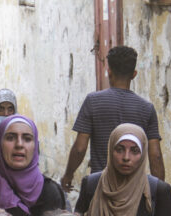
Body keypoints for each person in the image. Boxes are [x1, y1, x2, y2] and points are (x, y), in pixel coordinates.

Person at [62, 46, 165, 190]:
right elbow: (156, 156)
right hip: (133, 190)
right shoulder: (146, 108)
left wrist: (68, 175)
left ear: (109, 72)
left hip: (100, 186)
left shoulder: (93, 101)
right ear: (134, 74)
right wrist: (158, 191)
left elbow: (80, 148)